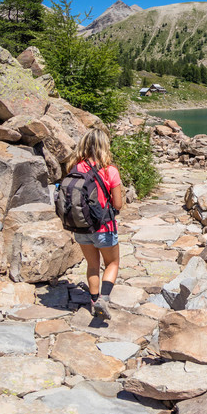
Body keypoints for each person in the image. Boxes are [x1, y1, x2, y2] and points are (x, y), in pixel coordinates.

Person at [67, 128, 126, 318]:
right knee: (112, 263)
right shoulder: (110, 170)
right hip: (103, 227)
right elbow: (118, 204)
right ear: (104, 146)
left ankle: (93, 301)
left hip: (80, 225)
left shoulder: (74, 168)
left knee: (92, 265)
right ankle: (104, 298)